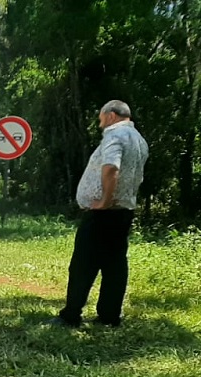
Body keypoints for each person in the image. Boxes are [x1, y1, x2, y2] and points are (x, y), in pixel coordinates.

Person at [48, 100, 149, 328]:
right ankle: (109, 316)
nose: (100, 123)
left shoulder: (115, 135)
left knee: (83, 263)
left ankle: (71, 315)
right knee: (115, 265)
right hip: (123, 212)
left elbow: (111, 168)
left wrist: (104, 201)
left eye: (101, 118)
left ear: (111, 115)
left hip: (103, 213)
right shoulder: (139, 140)